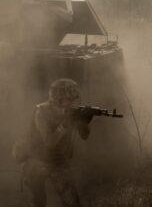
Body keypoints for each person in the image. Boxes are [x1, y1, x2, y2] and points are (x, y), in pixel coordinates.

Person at [13, 78, 93, 207]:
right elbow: (49, 142)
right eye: (69, 99)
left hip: (57, 159)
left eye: (74, 98)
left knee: (72, 202)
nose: (73, 101)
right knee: (37, 202)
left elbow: (85, 135)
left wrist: (84, 121)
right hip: (35, 159)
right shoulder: (42, 112)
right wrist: (64, 125)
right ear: (58, 98)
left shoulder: (70, 111)